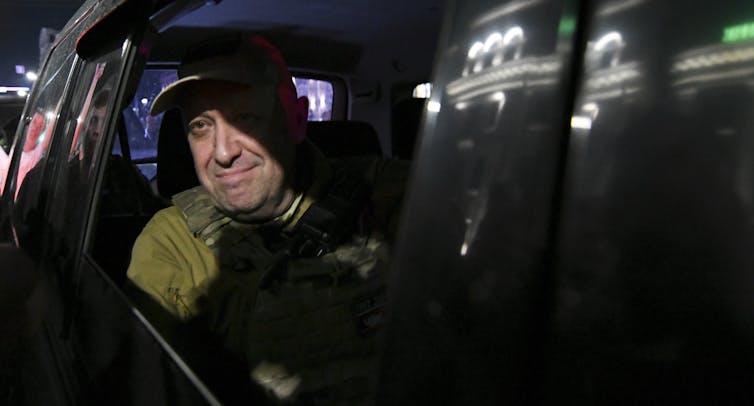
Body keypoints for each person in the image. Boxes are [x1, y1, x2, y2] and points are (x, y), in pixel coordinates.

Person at [126, 35, 408, 404]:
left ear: (297, 120)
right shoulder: (171, 245)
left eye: (245, 118)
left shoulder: (387, 194)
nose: (223, 152)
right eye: (201, 126)